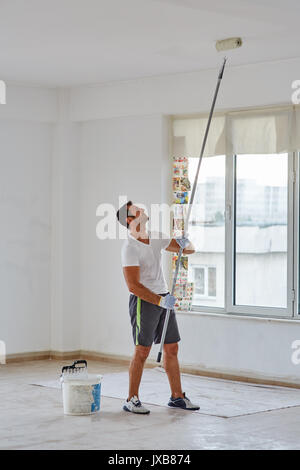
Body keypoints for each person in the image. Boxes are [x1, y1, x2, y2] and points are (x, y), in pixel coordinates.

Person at [116, 200, 200, 414]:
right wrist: (159, 301)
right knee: (142, 350)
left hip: (164, 297)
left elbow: (188, 251)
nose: (142, 209)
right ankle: (131, 399)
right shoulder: (130, 247)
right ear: (129, 219)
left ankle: (177, 397)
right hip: (144, 301)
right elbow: (133, 285)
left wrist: (184, 242)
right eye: (137, 210)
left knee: (172, 347)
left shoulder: (155, 236)